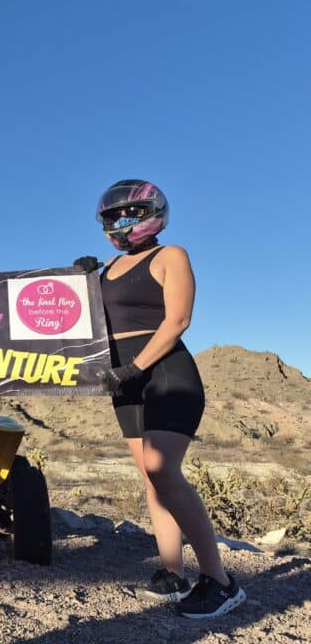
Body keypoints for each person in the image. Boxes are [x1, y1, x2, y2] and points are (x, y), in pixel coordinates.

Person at [75, 179, 246, 619]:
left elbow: (179, 320)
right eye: (111, 216)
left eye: (127, 214)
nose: (119, 222)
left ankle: (221, 581)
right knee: (152, 481)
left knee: (161, 468)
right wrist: (78, 281)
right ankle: (172, 573)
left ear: (152, 213)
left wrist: (136, 368)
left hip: (165, 371)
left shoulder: (171, 256)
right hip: (124, 381)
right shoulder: (106, 267)